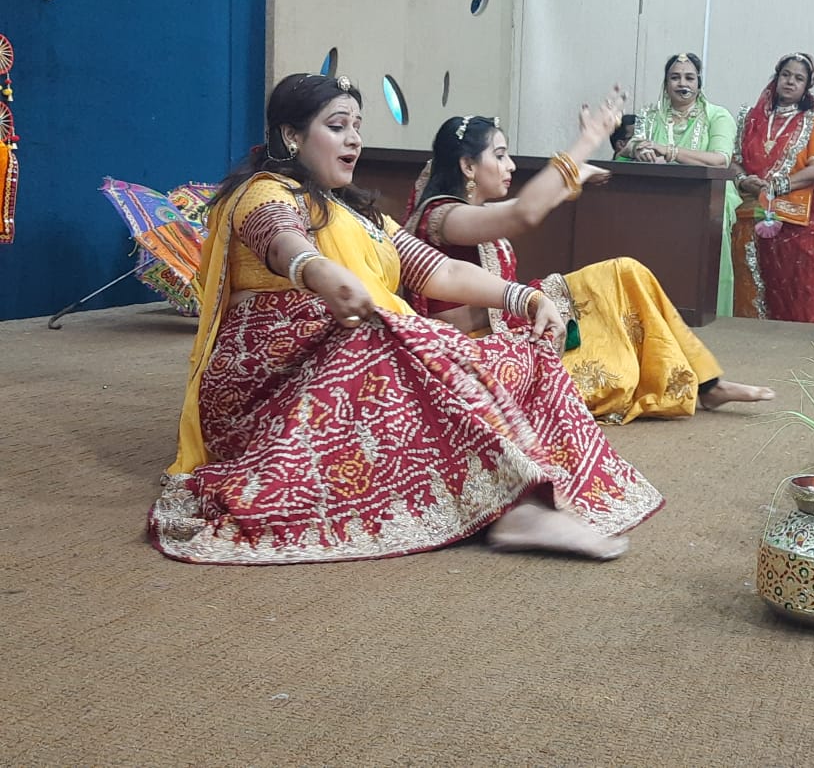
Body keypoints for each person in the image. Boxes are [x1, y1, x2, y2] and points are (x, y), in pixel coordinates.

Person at [147, 73, 663, 565]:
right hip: (272, 376)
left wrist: (522, 300)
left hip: (353, 347)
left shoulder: (363, 216)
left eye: (357, 126)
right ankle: (516, 507)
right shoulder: (265, 193)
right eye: (337, 126)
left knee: (520, 353)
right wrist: (321, 274)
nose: (354, 139)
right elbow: (281, 241)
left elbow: (437, 271)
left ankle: (528, 494)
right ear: (290, 134)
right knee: (389, 339)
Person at [403, 100, 774, 425]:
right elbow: (523, 213)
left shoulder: (467, 213)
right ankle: (696, 386)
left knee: (626, 273)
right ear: (468, 166)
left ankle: (707, 383)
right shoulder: (442, 218)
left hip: (511, 325)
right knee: (613, 368)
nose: (510, 165)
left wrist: (571, 180)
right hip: (475, 356)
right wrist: (587, 141)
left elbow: (519, 210)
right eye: (499, 155)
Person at [619, 53, 739, 317]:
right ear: (666, 82)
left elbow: (720, 160)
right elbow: (629, 145)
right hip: (659, 204)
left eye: (689, 77)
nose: (682, 83)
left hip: (706, 204)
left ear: (699, 82)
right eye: (675, 77)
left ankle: (709, 318)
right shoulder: (651, 115)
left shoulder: (717, 116)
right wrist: (640, 150)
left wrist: (669, 151)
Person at [732, 52, 814, 323]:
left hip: (796, 223)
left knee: (794, 289)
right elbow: (735, 162)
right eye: (786, 75)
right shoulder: (750, 118)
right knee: (752, 283)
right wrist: (745, 180)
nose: (791, 82)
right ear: (776, 77)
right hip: (751, 213)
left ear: (806, 86)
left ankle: (794, 347)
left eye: (799, 78)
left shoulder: (812, 120)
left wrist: (778, 185)